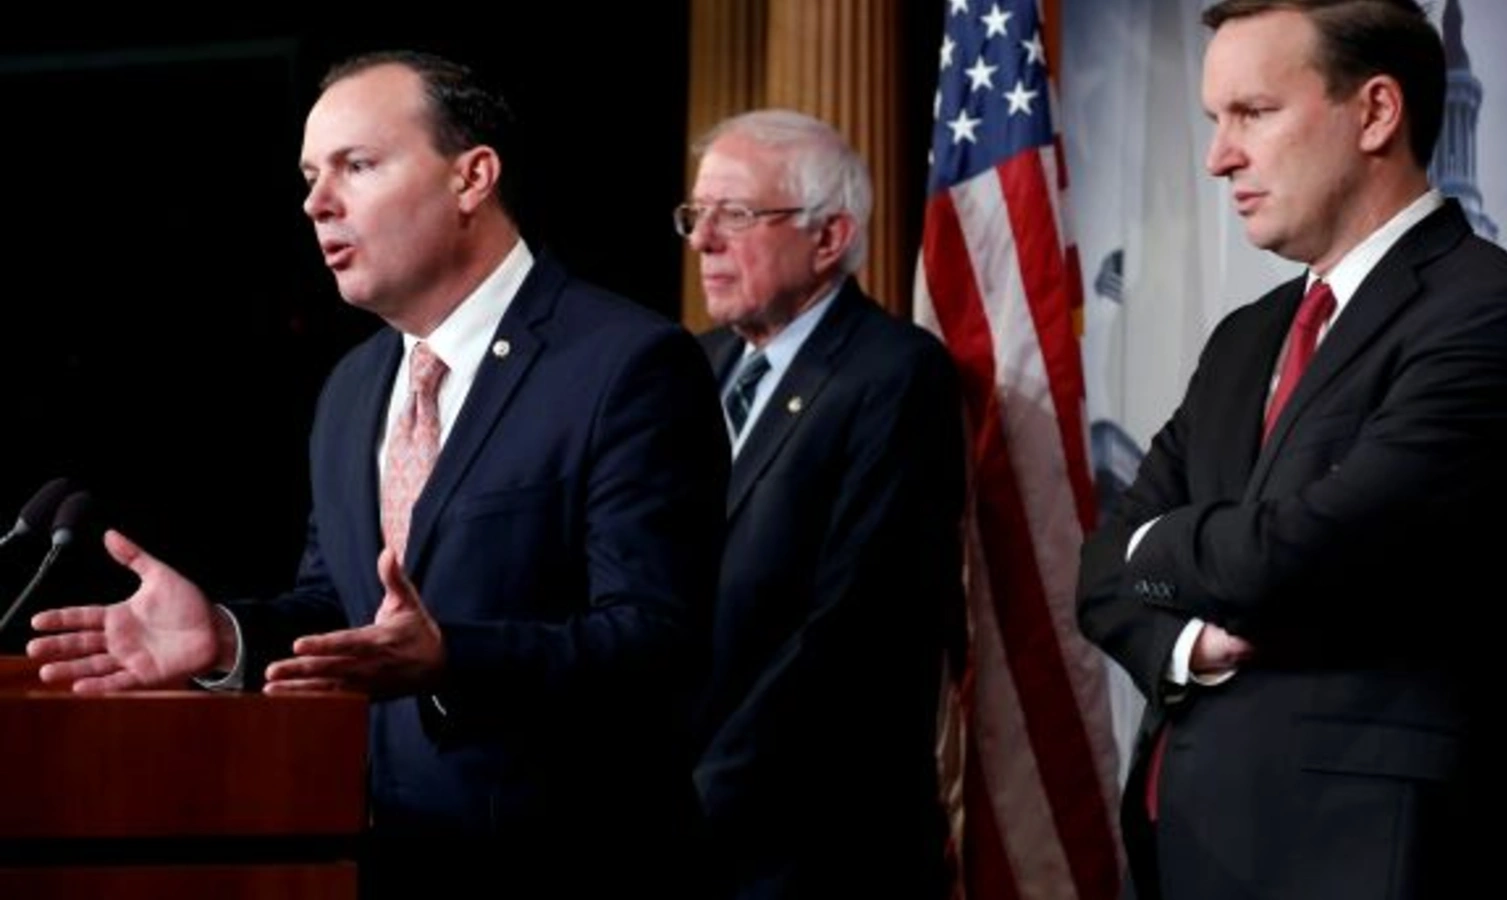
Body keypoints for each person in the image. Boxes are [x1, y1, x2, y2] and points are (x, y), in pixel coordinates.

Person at [27, 50, 729, 897]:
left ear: (471, 178)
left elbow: (656, 645)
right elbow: (343, 613)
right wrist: (226, 636)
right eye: (311, 175)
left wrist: (451, 658)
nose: (316, 201)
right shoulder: (356, 387)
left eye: (357, 166)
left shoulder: (627, 363)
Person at [1076, 2, 1507, 898]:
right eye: (1213, 121)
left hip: (1366, 860)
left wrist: (1159, 546)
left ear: (1376, 112)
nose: (1219, 156)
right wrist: (1185, 641)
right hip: (1186, 849)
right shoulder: (1244, 339)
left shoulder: (1486, 315)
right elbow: (1101, 575)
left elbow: (1296, 558)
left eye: (1253, 113)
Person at [679, 109, 966, 898]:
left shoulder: (896, 376)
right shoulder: (692, 368)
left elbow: (854, 627)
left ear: (830, 237)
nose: (703, 241)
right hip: (679, 825)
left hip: (816, 840)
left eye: (734, 215)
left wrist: (703, 797)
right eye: (697, 216)